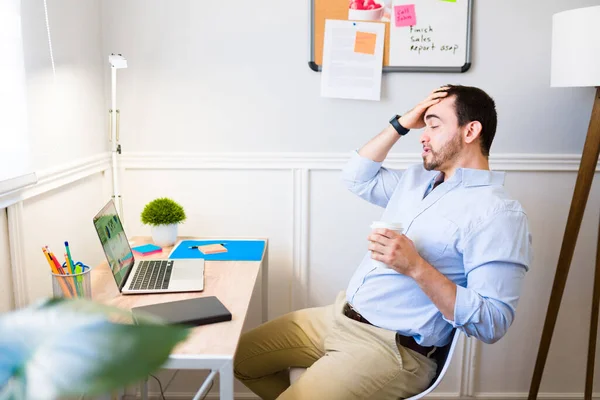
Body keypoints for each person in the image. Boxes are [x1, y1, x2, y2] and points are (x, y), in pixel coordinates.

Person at [234, 85, 532, 400]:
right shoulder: (416, 181)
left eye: (433, 124)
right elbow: (355, 176)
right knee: (238, 360)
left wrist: (416, 267)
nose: (423, 134)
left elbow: (493, 322)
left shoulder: (498, 214)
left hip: (390, 348)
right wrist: (401, 123)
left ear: (470, 130)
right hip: (340, 316)